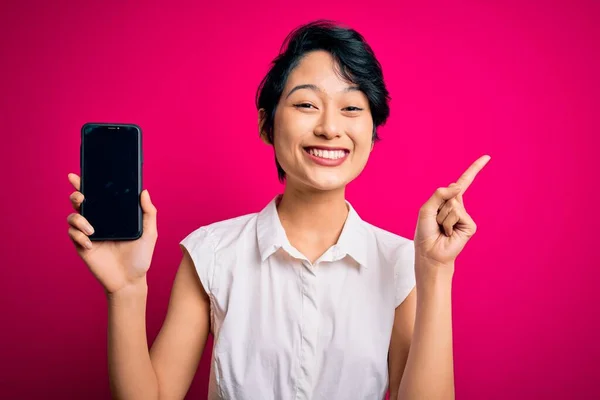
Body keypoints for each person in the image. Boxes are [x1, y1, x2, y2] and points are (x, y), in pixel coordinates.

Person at [66, 19, 490, 400]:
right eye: (307, 104)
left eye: (352, 108)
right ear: (266, 124)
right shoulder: (212, 253)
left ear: (372, 131)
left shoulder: (401, 262)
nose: (329, 127)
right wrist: (124, 291)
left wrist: (435, 271)